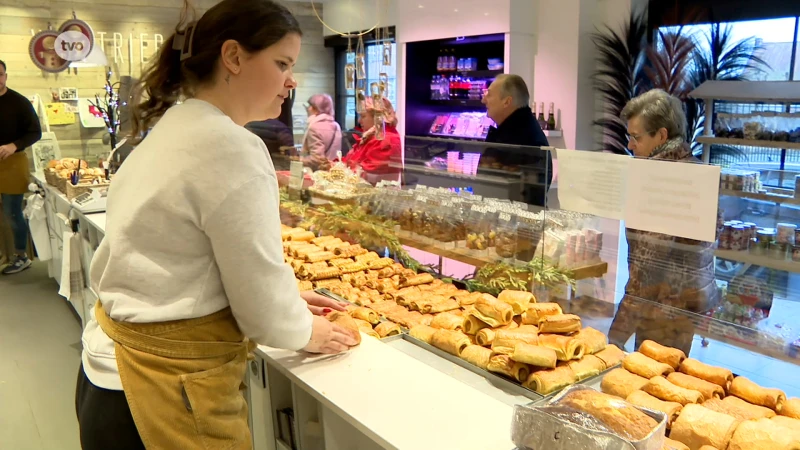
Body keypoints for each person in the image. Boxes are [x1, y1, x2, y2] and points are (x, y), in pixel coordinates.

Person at [75, 2, 358, 449]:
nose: (292, 81)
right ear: (233, 56)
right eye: (282, 63)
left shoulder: (172, 128)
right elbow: (263, 309)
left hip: (109, 376)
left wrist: (281, 296)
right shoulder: (231, 146)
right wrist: (308, 330)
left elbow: (177, 258)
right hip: (165, 392)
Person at [608, 89, 721, 355]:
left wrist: (616, 335)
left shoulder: (659, 180)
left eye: (636, 137)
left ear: (661, 135)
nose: (631, 145)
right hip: (690, 303)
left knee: (651, 384)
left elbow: (645, 272)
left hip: (662, 309)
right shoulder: (695, 170)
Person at [480, 74, 551, 206]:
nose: (483, 100)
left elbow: (523, 197)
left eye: (489, 94)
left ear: (506, 101)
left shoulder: (524, 138)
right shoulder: (515, 129)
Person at [0, 59, 42, 275]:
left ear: (5, 76)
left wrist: (13, 145)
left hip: (14, 163)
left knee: (12, 212)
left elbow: (36, 132)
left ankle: (21, 256)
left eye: (0, 74)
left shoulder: (19, 102)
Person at [343, 97, 401, 184]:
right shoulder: (372, 136)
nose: (359, 121)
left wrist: (341, 169)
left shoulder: (383, 139)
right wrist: (334, 165)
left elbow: (371, 176)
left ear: (377, 117)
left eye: (363, 116)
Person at [300, 93, 341, 170]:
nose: (308, 109)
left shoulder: (314, 127)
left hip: (319, 172)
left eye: (310, 106)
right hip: (334, 170)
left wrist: (299, 160)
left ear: (316, 109)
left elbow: (317, 158)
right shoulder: (336, 125)